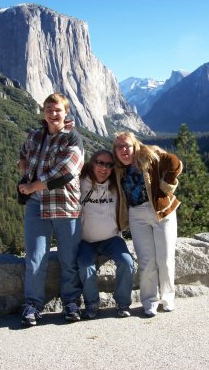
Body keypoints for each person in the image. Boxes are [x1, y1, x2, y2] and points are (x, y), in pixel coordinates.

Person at [17, 92, 84, 327]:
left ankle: (71, 302)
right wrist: (23, 169)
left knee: (69, 258)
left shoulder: (72, 138)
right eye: (49, 109)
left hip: (65, 204)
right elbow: (23, 156)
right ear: (43, 112)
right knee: (35, 257)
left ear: (66, 113)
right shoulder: (35, 135)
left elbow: (66, 173)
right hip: (37, 204)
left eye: (58, 110)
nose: (53, 114)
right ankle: (33, 305)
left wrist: (33, 184)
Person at [112, 132, 182, 317]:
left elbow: (175, 162)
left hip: (161, 212)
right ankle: (149, 301)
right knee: (146, 260)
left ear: (135, 145)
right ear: (115, 151)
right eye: (119, 147)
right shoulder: (118, 168)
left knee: (165, 259)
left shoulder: (150, 155)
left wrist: (167, 185)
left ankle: (168, 298)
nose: (123, 150)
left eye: (126, 145)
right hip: (137, 215)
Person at [77, 149, 135, 319]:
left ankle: (123, 303)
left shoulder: (117, 183)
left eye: (109, 165)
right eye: (100, 163)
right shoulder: (80, 182)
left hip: (112, 239)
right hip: (85, 240)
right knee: (85, 266)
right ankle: (92, 304)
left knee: (127, 262)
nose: (104, 168)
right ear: (92, 163)